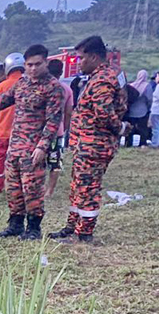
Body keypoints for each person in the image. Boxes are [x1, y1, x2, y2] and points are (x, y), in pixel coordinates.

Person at [0, 44, 66, 241]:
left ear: (46, 63)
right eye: (29, 65)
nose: (33, 68)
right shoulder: (21, 84)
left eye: (37, 64)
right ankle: (15, 224)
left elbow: (53, 121)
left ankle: (33, 228)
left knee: (32, 189)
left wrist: (43, 147)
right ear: (24, 66)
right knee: (13, 188)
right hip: (15, 146)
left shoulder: (53, 88)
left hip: (34, 148)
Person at [50, 36, 127, 242]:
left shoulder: (102, 79)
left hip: (94, 144)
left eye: (81, 58)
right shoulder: (107, 74)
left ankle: (83, 233)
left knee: (87, 189)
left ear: (94, 57)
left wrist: (121, 128)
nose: (78, 63)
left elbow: (104, 113)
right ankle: (72, 226)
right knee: (78, 186)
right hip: (86, 143)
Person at [0, 54, 25, 193]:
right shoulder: (28, 85)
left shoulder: (2, 86)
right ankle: (19, 187)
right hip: (23, 135)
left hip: (2, 131)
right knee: (22, 162)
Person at [46, 57, 74, 198]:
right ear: (61, 72)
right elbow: (68, 112)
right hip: (58, 131)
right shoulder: (67, 89)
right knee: (55, 162)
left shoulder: (42, 87)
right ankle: (49, 191)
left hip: (38, 132)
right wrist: (65, 127)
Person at [123, 70, 151, 147]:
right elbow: (149, 99)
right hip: (142, 110)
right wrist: (149, 107)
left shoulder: (132, 85)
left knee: (130, 128)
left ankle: (128, 143)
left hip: (131, 111)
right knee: (143, 129)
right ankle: (142, 144)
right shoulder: (147, 86)